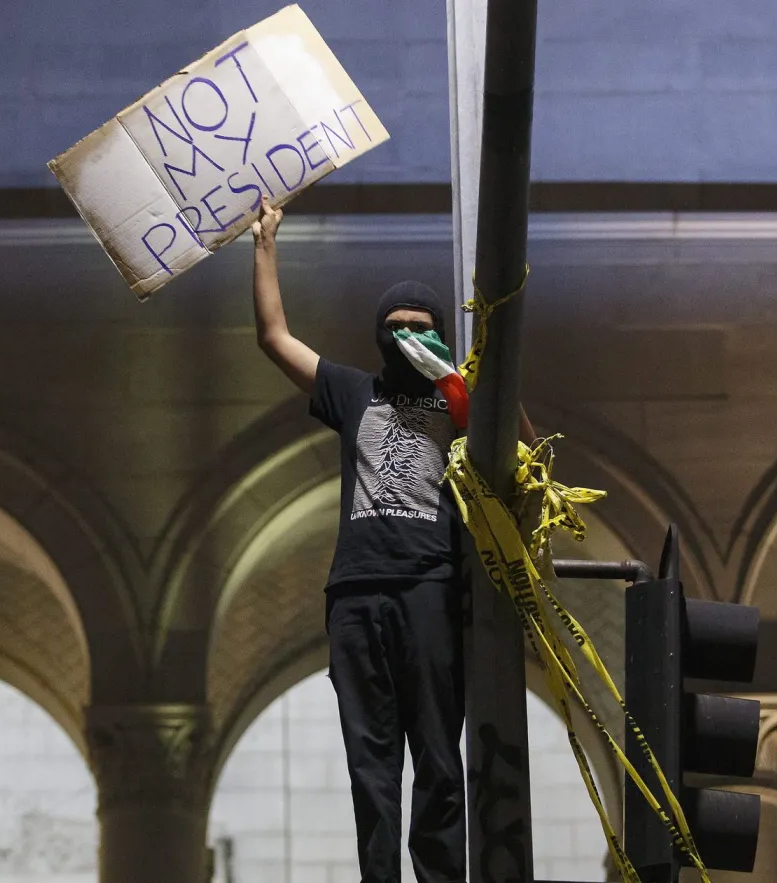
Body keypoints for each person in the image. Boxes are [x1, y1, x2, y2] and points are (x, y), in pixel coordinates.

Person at [250, 196, 532, 883]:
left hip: (431, 589)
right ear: (378, 333)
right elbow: (274, 337)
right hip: (356, 594)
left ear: (439, 334)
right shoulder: (353, 392)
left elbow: (523, 452)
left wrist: (466, 380)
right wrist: (264, 244)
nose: (407, 336)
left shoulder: (455, 399)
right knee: (370, 762)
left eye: (422, 327)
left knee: (437, 754)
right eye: (395, 326)